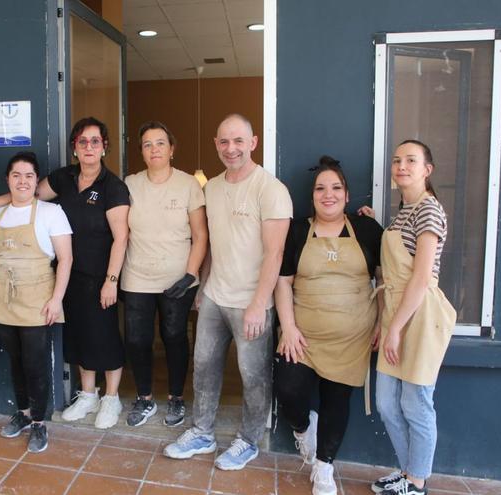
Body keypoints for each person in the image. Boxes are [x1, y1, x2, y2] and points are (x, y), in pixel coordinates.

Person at [0, 117, 130, 429]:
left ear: (104, 147)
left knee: (105, 337)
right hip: (68, 274)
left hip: (101, 276)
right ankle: (88, 394)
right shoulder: (64, 178)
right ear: (75, 147)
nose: (89, 147)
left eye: (95, 141)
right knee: (79, 337)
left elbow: (122, 237)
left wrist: (111, 280)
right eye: (82, 141)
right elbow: (26, 193)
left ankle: (111, 398)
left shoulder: (113, 187)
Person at [164, 114, 292, 470]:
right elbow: (214, 244)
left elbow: (275, 253)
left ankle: (249, 440)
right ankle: (202, 433)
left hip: (253, 302)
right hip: (215, 297)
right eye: (223, 141)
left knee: (253, 376)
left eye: (238, 141)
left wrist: (257, 305)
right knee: (203, 366)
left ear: (253, 143)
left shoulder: (271, 189)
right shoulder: (213, 187)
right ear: (216, 145)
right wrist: (204, 287)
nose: (230, 148)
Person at [273, 156, 383, 495]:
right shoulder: (298, 230)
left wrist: (382, 321)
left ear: (347, 195)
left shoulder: (367, 229)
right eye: (321, 188)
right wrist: (288, 327)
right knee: (288, 390)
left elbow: (384, 281)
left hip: (352, 337)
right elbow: (282, 282)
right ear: (312, 196)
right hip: (302, 337)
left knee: (337, 401)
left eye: (336, 188)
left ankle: (324, 467)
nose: (328, 194)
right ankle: (305, 431)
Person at [363, 140, 457, 495]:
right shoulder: (405, 211)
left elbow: (419, 278)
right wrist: (384, 324)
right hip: (396, 313)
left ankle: (417, 482)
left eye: (411, 160)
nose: (401, 166)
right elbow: (397, 258)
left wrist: (395, 329)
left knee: (415, 402)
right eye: (397, 160)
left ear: (427, 170)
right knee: (388, 403)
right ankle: (407, 471)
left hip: (420, 313)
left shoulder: (429, 209)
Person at [0, 151, 72, 453]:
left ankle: (39, 423)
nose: (23, 181)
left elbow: (66, 259)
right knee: (15, 361)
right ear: (7, 179)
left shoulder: (50, 212)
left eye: (29, 176)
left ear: (37, 181)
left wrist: (56, 299)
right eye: (16, 175)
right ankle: (21, 413)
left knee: (35, 364)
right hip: (2, 298)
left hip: (37, 298)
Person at [122, 121, 208, 428]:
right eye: (147, 144)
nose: (154, 149)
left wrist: (190, 275)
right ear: (142, 152)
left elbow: (200, 235)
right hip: (137, 277)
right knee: (137, 340)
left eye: (160, 143)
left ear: (171, 149)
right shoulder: (130, 184)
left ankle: (176, 398)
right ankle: (144, 398)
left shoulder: (188, 185)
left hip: (177, 278)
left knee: (174, 337)